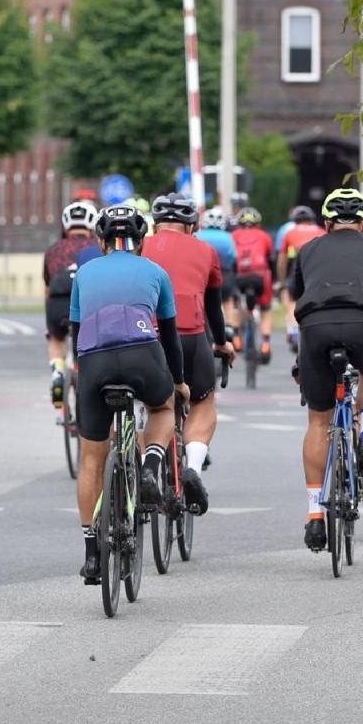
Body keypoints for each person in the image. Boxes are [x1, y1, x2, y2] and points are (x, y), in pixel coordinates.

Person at [70, 204, 189, 584]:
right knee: (163, 407)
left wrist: (84, 377)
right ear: (141, 241)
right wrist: (178, 383)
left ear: (101, 241)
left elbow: (75, 334)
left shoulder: (84, 273)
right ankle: (151, 465)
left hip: (94, 361)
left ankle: (91, 553)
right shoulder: (156, 272)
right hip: (143, 355)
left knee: (91, 457)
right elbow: (170, 337)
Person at [291, 188, 363, 552]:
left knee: (318, 421)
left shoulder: (307, 250)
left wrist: (301, 360)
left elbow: (300, 305)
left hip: (316, 327)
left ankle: (314, 515)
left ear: (326, 224)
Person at [144, 194, 236, 510]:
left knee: (152, 405)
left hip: (146, 336)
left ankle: (144, 465)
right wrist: (221, 343)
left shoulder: (140, 246)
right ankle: (193, 468)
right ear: (192, 225)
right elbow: (214, 307)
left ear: (155, 223)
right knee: (202, 400)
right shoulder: (206, 251)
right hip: (191, 338)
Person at [42, 200, 102, 405]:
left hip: (59, 304)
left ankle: (58, 372)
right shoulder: (98, 248)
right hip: (88, 305)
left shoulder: (53, 250)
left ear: (66, 226)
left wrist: (50, 317)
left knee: (56, 338)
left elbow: (48, 287)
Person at [277, 206, 325, 351]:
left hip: (299, 267)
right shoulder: (322, 231)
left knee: (290, 296)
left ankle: (293, 328)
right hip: (318, 270)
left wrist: (281, 281)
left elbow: (282, 261)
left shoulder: (289, 232)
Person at [230, 207, 276, 361]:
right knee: (265, 309)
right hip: (259, 277)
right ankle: (265, 343)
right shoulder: (264, 236)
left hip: (240, 277)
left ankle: (236, 336)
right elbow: (271, 260)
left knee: (236, 304)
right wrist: (275, 281)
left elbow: (231, 260)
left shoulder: (233, 235)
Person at [197, 206, 239, 331]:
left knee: (202, 301)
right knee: (227, 300)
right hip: (224, 273)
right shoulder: (228, 237)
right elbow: (233, 257)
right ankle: (229, 327)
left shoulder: (198, 236)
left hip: (202, 275)